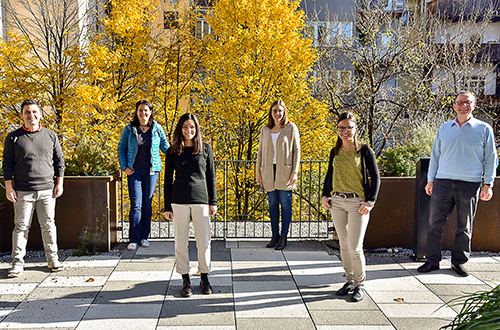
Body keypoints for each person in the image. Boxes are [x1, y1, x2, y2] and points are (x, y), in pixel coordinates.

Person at [417, 91, 498, 277]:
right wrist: (431, 180)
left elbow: (490, 159)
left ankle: (459, 262)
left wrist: (488, 184)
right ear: (454, 106)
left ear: (474, 105)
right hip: (443, 182)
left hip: (471, 184)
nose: (463, 105)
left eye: (467, 102)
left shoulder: (484, 129)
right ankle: (432, 260)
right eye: (460, 102)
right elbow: (435, 156)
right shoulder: (444, 128)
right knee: (434, 224)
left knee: (465, 225)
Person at [2, 99, 65, 277]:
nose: (31, 115)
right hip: (22, 190)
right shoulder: (13, 138)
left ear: (40, 114)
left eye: (34, 112)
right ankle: (17, 263)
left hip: (47, 189)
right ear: (22, 115)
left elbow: (59, 161)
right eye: (27, 112)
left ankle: (53, 260)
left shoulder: (50, 136)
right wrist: (9, 187)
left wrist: (59, 183)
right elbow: (7, 164)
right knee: (21, 227)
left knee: (48, 225)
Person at [321, 112, 380, 302]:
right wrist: (325, 195)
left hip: (358, 203)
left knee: (355, 247)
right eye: (341, 128)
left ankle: (359, 284)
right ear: (337, 129)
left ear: (356, 128)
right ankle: (349, 280)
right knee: (343, 245)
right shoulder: (334, 151)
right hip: (337, 201)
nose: (345, 131)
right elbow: (330, 175)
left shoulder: (364, 150)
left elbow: (376, 178)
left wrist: (370, 201)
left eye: (349, 127)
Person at [164, 113, 217, 297]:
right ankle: (185, 279)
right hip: (178, 200)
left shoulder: (206, 149)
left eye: (192, 127)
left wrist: (213, 202)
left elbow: (211, 177)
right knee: (181, 242)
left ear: (197, 129)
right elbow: (167, 180)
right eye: (185, 127)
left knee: (203, 242)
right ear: (180, 129)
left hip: (201, 200)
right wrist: (166, 206)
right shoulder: (172, 151)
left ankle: (204, 276)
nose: (189, 130)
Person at [118, 99, 169, 251]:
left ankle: (144, 237)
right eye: (140, 110)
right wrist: (125, 167)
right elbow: (121, 148)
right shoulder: (129, 129)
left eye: (146, 110)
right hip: (134, 172)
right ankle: (133, 239)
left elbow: (165, 146)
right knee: (136, 205)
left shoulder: (157, 128)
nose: (143, 113)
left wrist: (178, 155)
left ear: (151, 112)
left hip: (151, 171)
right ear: (137, 113)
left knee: (147, 204)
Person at [256, 99, 300, 250]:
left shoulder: (290, 127)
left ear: (284, 112)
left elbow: (297, 150)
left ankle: (284, 236)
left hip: (285, 171)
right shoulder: (265, 129)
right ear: (271, 112)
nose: (277, 113)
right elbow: (260, 151)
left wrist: (295, 171)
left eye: (280, 111)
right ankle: (274, 235)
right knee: (273, 204)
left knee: (285, 204)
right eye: (274, 111)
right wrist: (258, 172)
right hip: (268, 170)